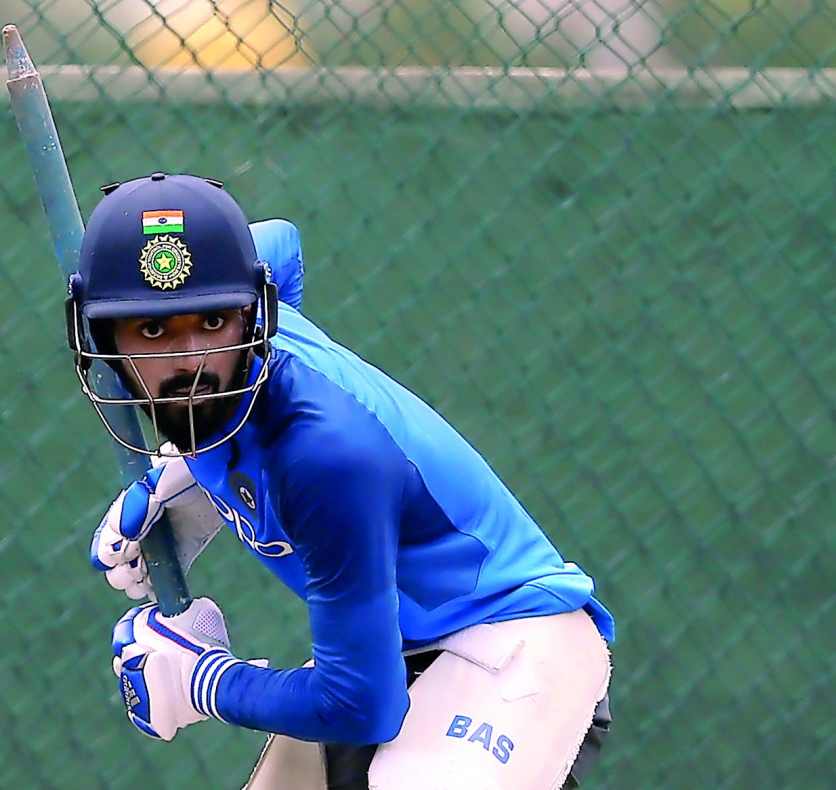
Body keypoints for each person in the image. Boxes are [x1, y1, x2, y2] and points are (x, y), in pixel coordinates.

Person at [75, 172, 615, 789]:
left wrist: (205, 682)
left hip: (515, 642)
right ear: (101, 336)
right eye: (152, 330)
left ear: (252, 312)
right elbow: (281, 241)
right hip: (397, 644)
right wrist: (206, 474)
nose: (193, 361)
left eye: (213, 320)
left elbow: (361, 705)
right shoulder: (239, 302)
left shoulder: (327, 457)